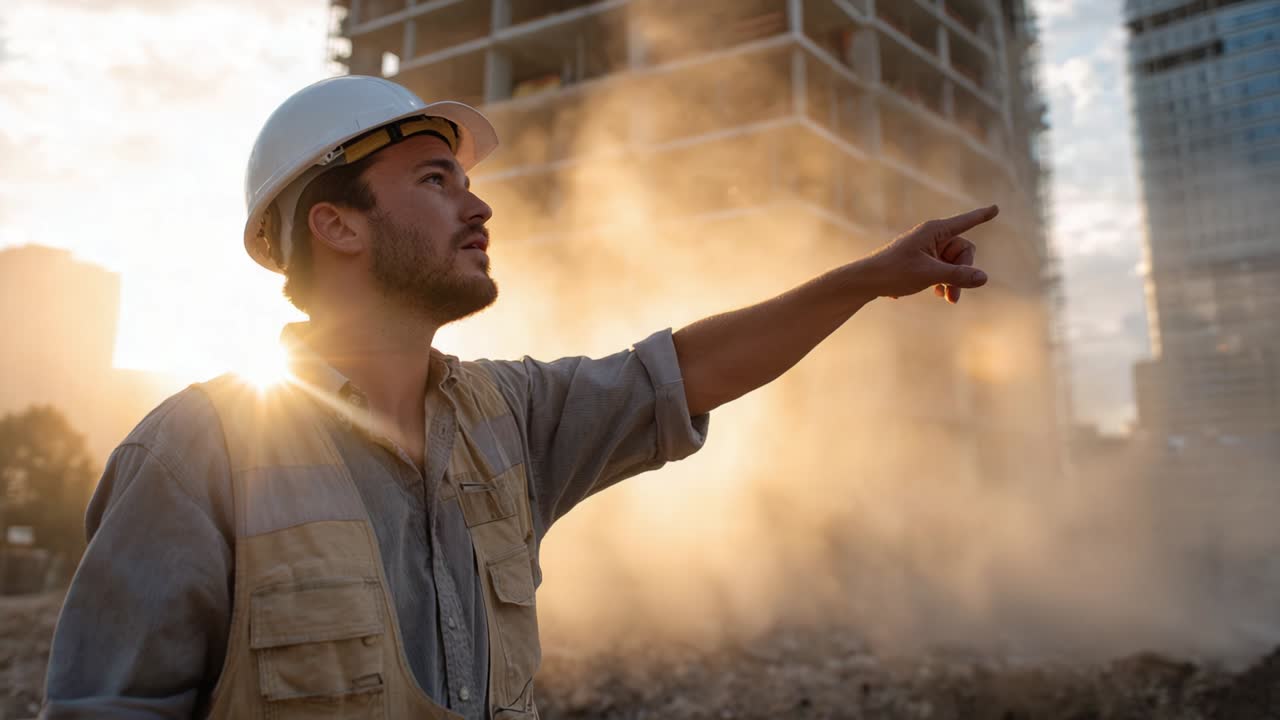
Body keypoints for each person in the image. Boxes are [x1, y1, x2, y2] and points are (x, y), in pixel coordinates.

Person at [41, 76, 994, 719]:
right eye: (435, 179)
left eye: (466, 179)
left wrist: (867, 280)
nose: (479, 203)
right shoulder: (193, 456)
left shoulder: (510, 422)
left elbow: (685, 369)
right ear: (335, 224)